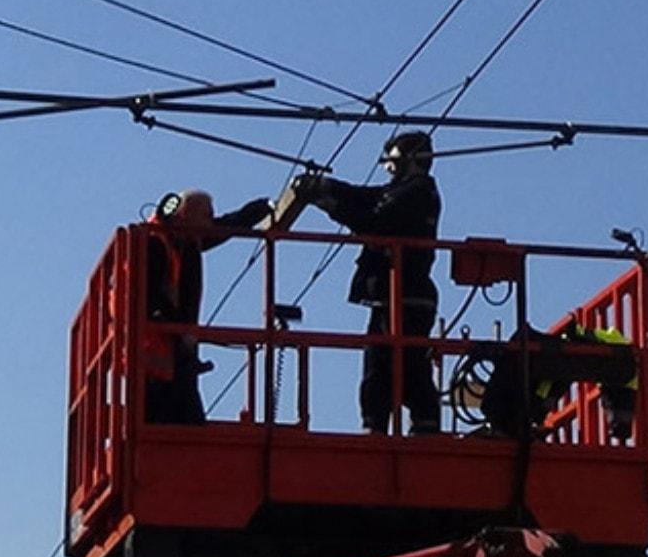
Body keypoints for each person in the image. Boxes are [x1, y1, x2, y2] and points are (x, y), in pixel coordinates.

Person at [296, 132, 442, 434]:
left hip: (406, 292)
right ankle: (379, 425)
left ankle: (418, 427)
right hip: (392, 293)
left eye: (392, 159)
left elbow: (375, 221)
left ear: (412, 158)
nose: (387, 167)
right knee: (381, 365)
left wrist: (328, 204)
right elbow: (364, 195)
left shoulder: (418, 192)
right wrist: (327, 186)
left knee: (406, 364)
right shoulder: (402, 191)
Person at [143, 189, 272, 424]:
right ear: (184, 217)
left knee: (188, 424)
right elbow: (150, 299)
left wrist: (252, 213)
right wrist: (180, 329)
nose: (210, 223)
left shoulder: (182, 241)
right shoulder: (153, 244)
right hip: (153, 361)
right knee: (176, 426)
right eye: (206, 217)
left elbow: (222, 228)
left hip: (173, 356)